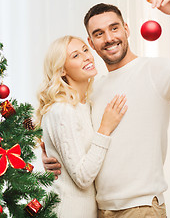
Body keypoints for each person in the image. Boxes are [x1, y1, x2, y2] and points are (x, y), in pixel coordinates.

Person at [41, 0, 170, 218]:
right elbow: (79, 143)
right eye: (99, 33)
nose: (109, 38)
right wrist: (52, 159)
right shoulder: (93, 89)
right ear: (91, 43)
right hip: (100, 210)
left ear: (126, 29)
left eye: (114, 28)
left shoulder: (154, 71)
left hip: (140, 208)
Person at [35, 35, 128, 217]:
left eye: (85, 50)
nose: (86, 57)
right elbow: (83, 177)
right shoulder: (63, 110)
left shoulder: (85, 105)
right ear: (61, 70)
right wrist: (105, 129)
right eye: (75, 56)